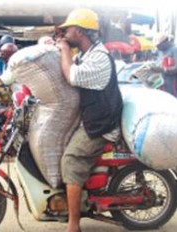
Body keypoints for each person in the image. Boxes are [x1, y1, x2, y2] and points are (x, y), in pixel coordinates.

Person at [56, 9, 123, 232]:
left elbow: (72, 75)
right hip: (93, 118)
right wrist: (54, 44)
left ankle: (74, 224)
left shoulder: (100, 58)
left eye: (68, 30)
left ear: (80, 31)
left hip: (102, 124)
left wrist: (64, 48)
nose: (65, 33)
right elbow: (68, 63)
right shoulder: (86, 54)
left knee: (71, 159)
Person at [151, 33, 177, 97]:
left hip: (173, 88)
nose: (157, 48)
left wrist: (163, 70)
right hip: (162, 86)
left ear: (165, 41)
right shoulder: (160, 52)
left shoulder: (175, 50)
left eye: (159, 45)